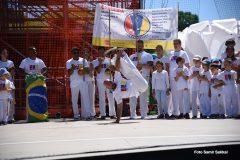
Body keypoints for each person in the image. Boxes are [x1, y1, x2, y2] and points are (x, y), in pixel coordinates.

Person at [104, 49, 148, 123]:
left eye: (110, 81)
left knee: (128, 69)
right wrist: (117, 120)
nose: (110, 83)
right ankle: (119, 54)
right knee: (126, 70)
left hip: (139, 82)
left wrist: (114, 66)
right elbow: (119, 107)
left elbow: (117, 69)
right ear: (108, 88)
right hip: (140, 88)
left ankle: (121, 54)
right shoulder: (116, 94)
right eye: (108, 84)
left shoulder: (117, 79)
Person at [129, 40, 153, 119]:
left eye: (140, 45)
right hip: (134, 78)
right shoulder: (132, 56)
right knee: (132, 96)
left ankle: (144, 114)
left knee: (144, 97)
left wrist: (142, 65)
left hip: (144, 78)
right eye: (137, 45)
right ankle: (132, 114)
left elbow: (151, 65)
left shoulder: (148, 55)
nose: (139, 46)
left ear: (143, 46)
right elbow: (129, 66)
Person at [66, 47, 91, 120]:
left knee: (86, 99)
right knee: (74, 100)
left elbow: (88, 71)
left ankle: (87, 115)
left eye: (77, 52)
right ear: (72, 53)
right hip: (74, 83)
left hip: (83, 82)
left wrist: (82, 70)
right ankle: (76, 115)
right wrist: (73, 68)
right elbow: (69, 73)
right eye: (74, 53)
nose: (76, 54)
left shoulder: (83, 60)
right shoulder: (69, 62)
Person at [168, 39, 190, 119]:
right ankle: (175, 113)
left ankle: (186, 112)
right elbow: (168, 65)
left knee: (184, 96)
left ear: (180, 44)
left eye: (177, 43)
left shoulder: (183, 53)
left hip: (182, 77)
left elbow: (187, 64)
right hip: (173, 76)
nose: (175, 45)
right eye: (174, 44)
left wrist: (186, 76)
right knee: (175, 95)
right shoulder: (170, 53)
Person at [92, 47, 116, 119]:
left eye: (103, 51)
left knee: (111, 97)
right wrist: (100, 62)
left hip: (109, 80)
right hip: (100, 81)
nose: (101, 53)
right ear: (98, 52)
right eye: (100, 52)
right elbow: (98, 71)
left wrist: (110, 68)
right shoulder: (95, 61)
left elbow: (114, 69)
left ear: (105, 52)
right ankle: (103, 114)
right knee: (101, 97)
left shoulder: (109, 60)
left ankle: (112, 114)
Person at [0, 49, 15, 123]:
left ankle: (10, 118)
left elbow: (12, 73)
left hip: (8, 84)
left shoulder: (10, 62)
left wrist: (9, 81)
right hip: (1, 85)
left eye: (6, 53)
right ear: (0, 54)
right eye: (3, 53)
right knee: (2, 104)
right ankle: (2, 119)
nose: (5, 54)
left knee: (10, 102)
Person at [82, 48, 96, 119]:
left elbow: (91, 73)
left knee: (91, 97)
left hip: (91, 80)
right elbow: (82, 71)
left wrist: (90, 64)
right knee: (84, 97)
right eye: (84, 52)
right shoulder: (81, 61)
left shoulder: (91, 61)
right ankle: (85, 114)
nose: (86, 54)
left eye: (87, 52)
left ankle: (92, 114)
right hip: (83, 81)